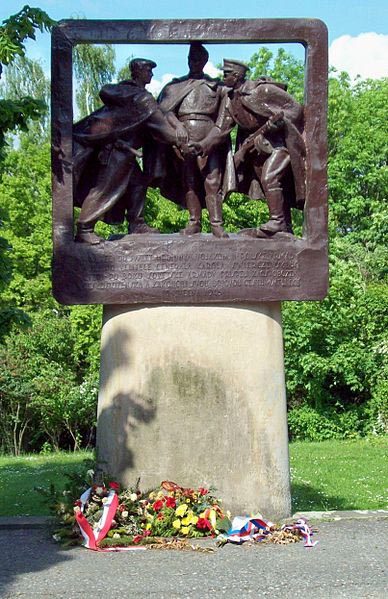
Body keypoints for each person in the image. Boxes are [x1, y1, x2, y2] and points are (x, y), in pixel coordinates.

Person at [190, 59, 306, 238]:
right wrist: (203, 145)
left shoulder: (262, 90)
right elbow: (220, 128)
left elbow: (295, 109)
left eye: (226, 74)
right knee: (267, 183)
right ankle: (284, 225)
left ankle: (277, 221)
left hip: (281, 142)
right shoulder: (230, 100)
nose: (223, 77)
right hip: (258, 148)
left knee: (270, 178)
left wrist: (277, 123)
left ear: (236, 76)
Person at [73, 58, 182, 244]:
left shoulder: (127, 93)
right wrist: (184, 140)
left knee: (139, 183)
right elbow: (163, 129)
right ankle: (84, 227)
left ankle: (136, 223)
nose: (152, 74)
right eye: (148, 70)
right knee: (105, 188)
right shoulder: (142, 99)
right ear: (138, 72)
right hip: (116, 151)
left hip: (126, 152)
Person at [157, 43, 234, 238]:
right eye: (191, 59)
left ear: (205, 61)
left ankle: (216, 224)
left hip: (210, 139)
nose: (194, 63)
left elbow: (225, 117)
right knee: (189, 180)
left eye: (198, 59)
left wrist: (208, 141)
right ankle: (194, 222)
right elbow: (164, 111)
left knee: (212, 181)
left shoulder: (216, 86)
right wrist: (178, 126)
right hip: (183, 141)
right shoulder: (175, 86)